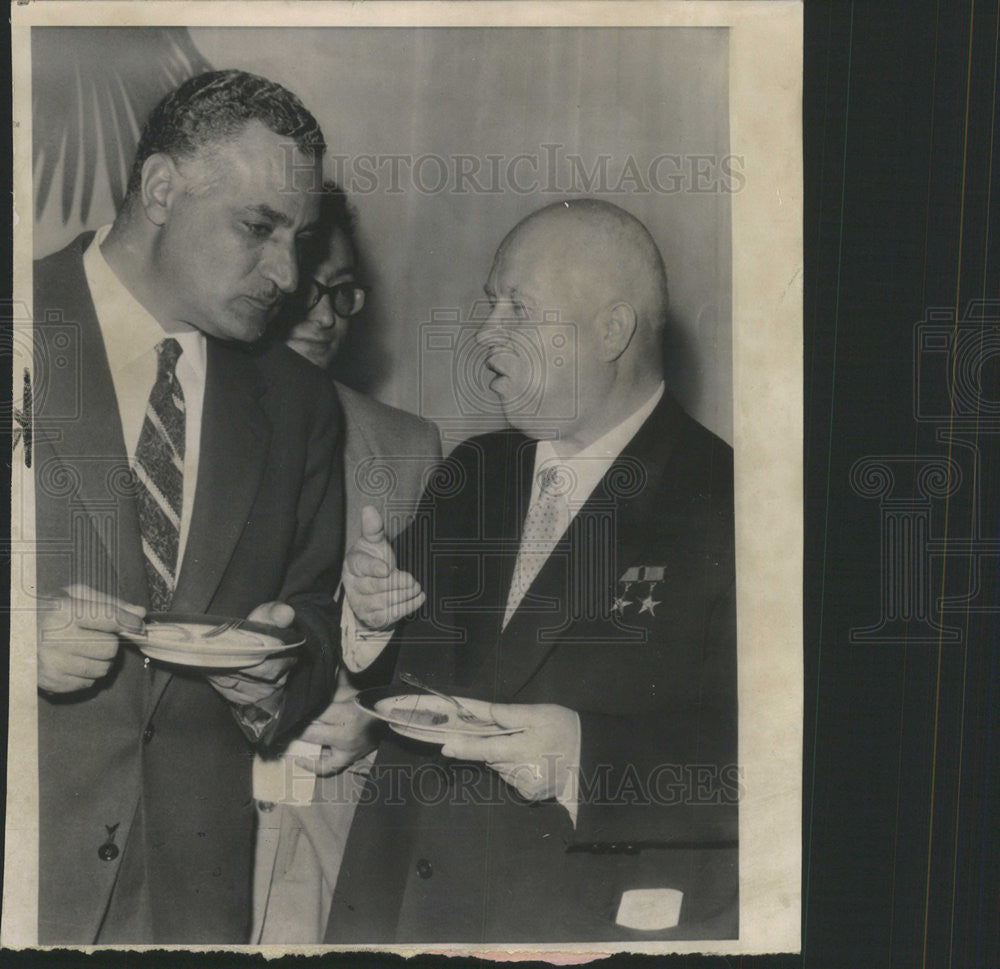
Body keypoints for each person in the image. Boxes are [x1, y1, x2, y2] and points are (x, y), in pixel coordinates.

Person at [324, 198, 738, 942]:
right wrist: (368, 615)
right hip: (394, 908)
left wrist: (584, 757)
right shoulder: (475, 470)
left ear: (611, 330)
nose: (487, 332)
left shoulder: (734, 502)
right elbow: (398, 682)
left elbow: (772, 764)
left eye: (518, 307)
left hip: (567, 923)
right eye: (491, 304)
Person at [32, 70, 344, 944]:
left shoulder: (297, 403)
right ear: (162, 188)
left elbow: (316, 618)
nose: (289, 273)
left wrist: (279, 669)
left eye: (303, 238)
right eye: (259, 228)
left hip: (193, 898)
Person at [250, 183, 442, 942]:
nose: (326, 316)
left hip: (338, 815)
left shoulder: (408, 444)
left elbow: (437, 649)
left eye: (345, 293)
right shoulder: (183, 423)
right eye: (308, 289)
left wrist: (373, 715)